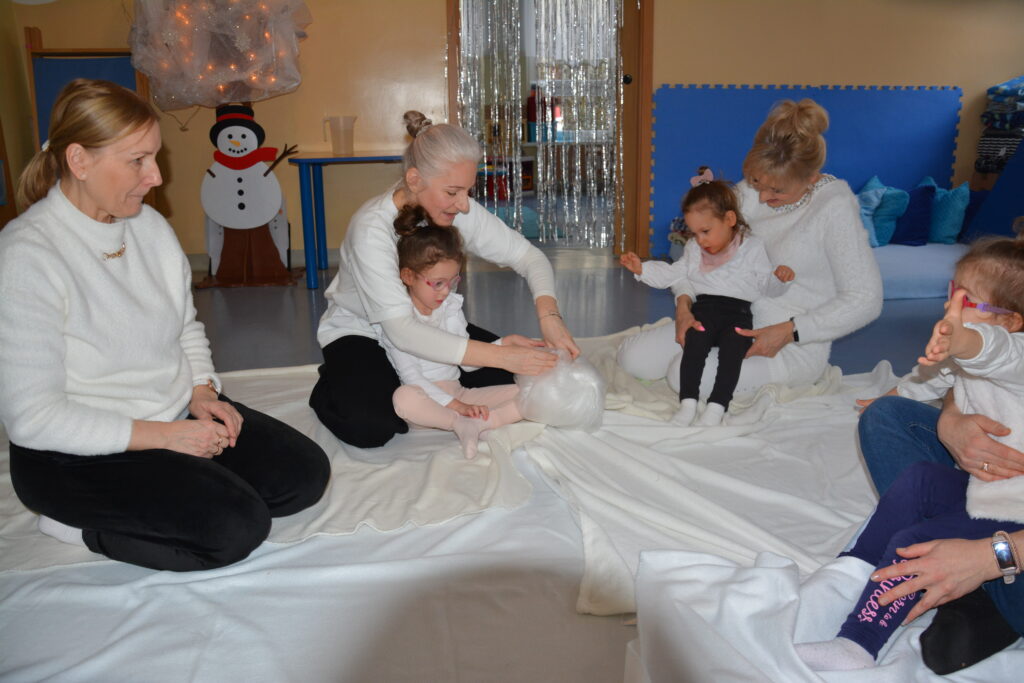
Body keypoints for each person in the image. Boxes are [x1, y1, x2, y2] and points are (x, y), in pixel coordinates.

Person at [0, 79, 330, 572]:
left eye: (155, 157)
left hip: (169, 414)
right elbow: (33, 418)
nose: (155, 176)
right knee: (236, 528)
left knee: (302, 477)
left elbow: (184, 327)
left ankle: (181, 474)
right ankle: (77, 526)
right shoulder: (26, 255)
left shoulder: (149, 228)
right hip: (73, 455)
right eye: (138, 160)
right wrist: (166, 437)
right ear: (79, 161)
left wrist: (201, 391)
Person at [311, 110, 579, 448]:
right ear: (414, 180)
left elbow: (530, 257)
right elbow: (402, 331)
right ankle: (334, 381)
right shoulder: (371, 229)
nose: (464, 205)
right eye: (453, 192)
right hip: (364, 330)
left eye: (467, 191)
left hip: (433, 325)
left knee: (530, 376)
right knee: (371, 426)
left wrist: (549, 317)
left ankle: (406, 381)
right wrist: (498, 355)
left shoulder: (451, 207)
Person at [838, 236, 1024, 673]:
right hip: (989, 493)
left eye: (966, 301)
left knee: (914, 541)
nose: (949, 307)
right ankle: (863, 573)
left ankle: (865, 637)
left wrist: (989, 557)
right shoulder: (982, 344)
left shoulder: (1007, 349)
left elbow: (995, 353)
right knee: (888, 423)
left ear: (1012, 320)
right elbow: (936, 378)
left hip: (1010, 507)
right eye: (950, 294)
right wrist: (949, 421)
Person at [617, 99, 882, 398]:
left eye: (777, 191)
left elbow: (866, 299)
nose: (763, 196)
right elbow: (697, 252)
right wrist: (684, 305)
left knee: (682, 376)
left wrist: (791, 331)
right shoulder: (753, 189)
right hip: (721, 315)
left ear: (810, 178)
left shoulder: (834, 208)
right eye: (758, 182)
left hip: (786, 345)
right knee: (633, 359)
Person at [620, 168, 794, 426]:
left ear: (730, 219)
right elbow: (674, 274)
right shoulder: (694, 249)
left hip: (738, 314)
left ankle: (717, 406)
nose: (700, 240)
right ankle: (687, 404)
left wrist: (779, 279)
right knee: (693, 349)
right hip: (703, 311)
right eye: (694, 233)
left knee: (732, 355)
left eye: (705, 231)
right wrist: (642, 269)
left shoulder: (752, 247)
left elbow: (766, 286)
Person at [385, 206, 537, 459]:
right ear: (408, 276)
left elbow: (467, 363)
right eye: (437, 283)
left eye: (453, 281)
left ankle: (483, 423)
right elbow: (411, 376)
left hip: (460, 393)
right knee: (404, 398)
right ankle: (458, 423)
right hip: (428, 402)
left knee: (532, 393)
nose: (446, 291)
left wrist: (504, 343)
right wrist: (459, 409)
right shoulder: (396, 320)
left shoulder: (450, 307)